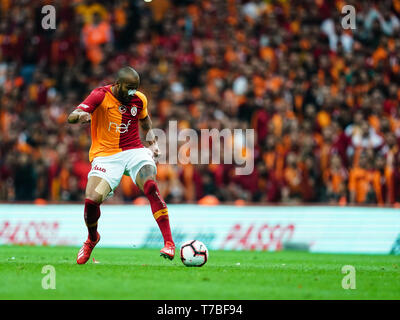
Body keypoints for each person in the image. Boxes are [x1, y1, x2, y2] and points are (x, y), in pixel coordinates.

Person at [67, 66, 175, 264]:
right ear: (118, 85)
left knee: (150, 185)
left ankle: (169, 242)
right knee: (92, 200)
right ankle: (92, 239)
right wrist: (81, 117)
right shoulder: (99, 95)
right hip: (106, 157)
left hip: (134, 152)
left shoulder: (139, 99)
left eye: (135, 88)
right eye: (129, 88)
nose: (132, 92)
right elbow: (72, 116)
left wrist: (152, 143)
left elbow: (145, 120)